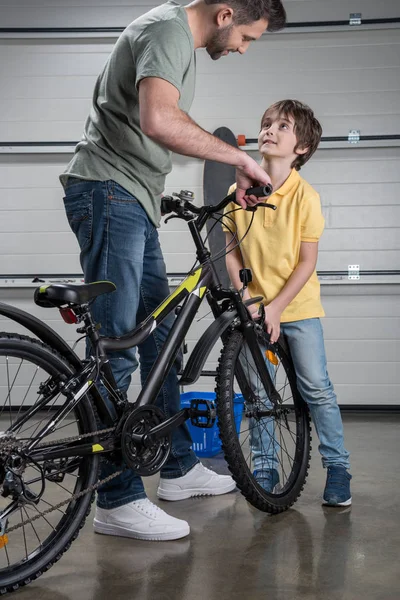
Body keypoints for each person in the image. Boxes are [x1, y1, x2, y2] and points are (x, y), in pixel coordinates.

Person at [60, 0, 287, 542]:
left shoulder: (174, 40)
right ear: (227, 13)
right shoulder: (167, 32)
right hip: (110, 192)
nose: (242, 50)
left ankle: (178, 467)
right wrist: (239, 159)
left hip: (133, 197)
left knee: (162, 339)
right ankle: (116, 499)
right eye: (248, 38)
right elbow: (159, 119)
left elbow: (154, 130)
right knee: (116, 346)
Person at [224, 99, 352, 506]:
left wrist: (276, 308)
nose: (269, 130)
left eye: (282, 126)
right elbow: (230, 250)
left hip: (297, 309)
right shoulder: (238, 191)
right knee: (260, 393)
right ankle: (265, 463)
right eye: (266, 123)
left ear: (301, 148)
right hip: (253, 311)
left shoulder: (305, 197)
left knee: (316, 388)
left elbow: (306, 261)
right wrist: (248, 301)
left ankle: (338, 467)